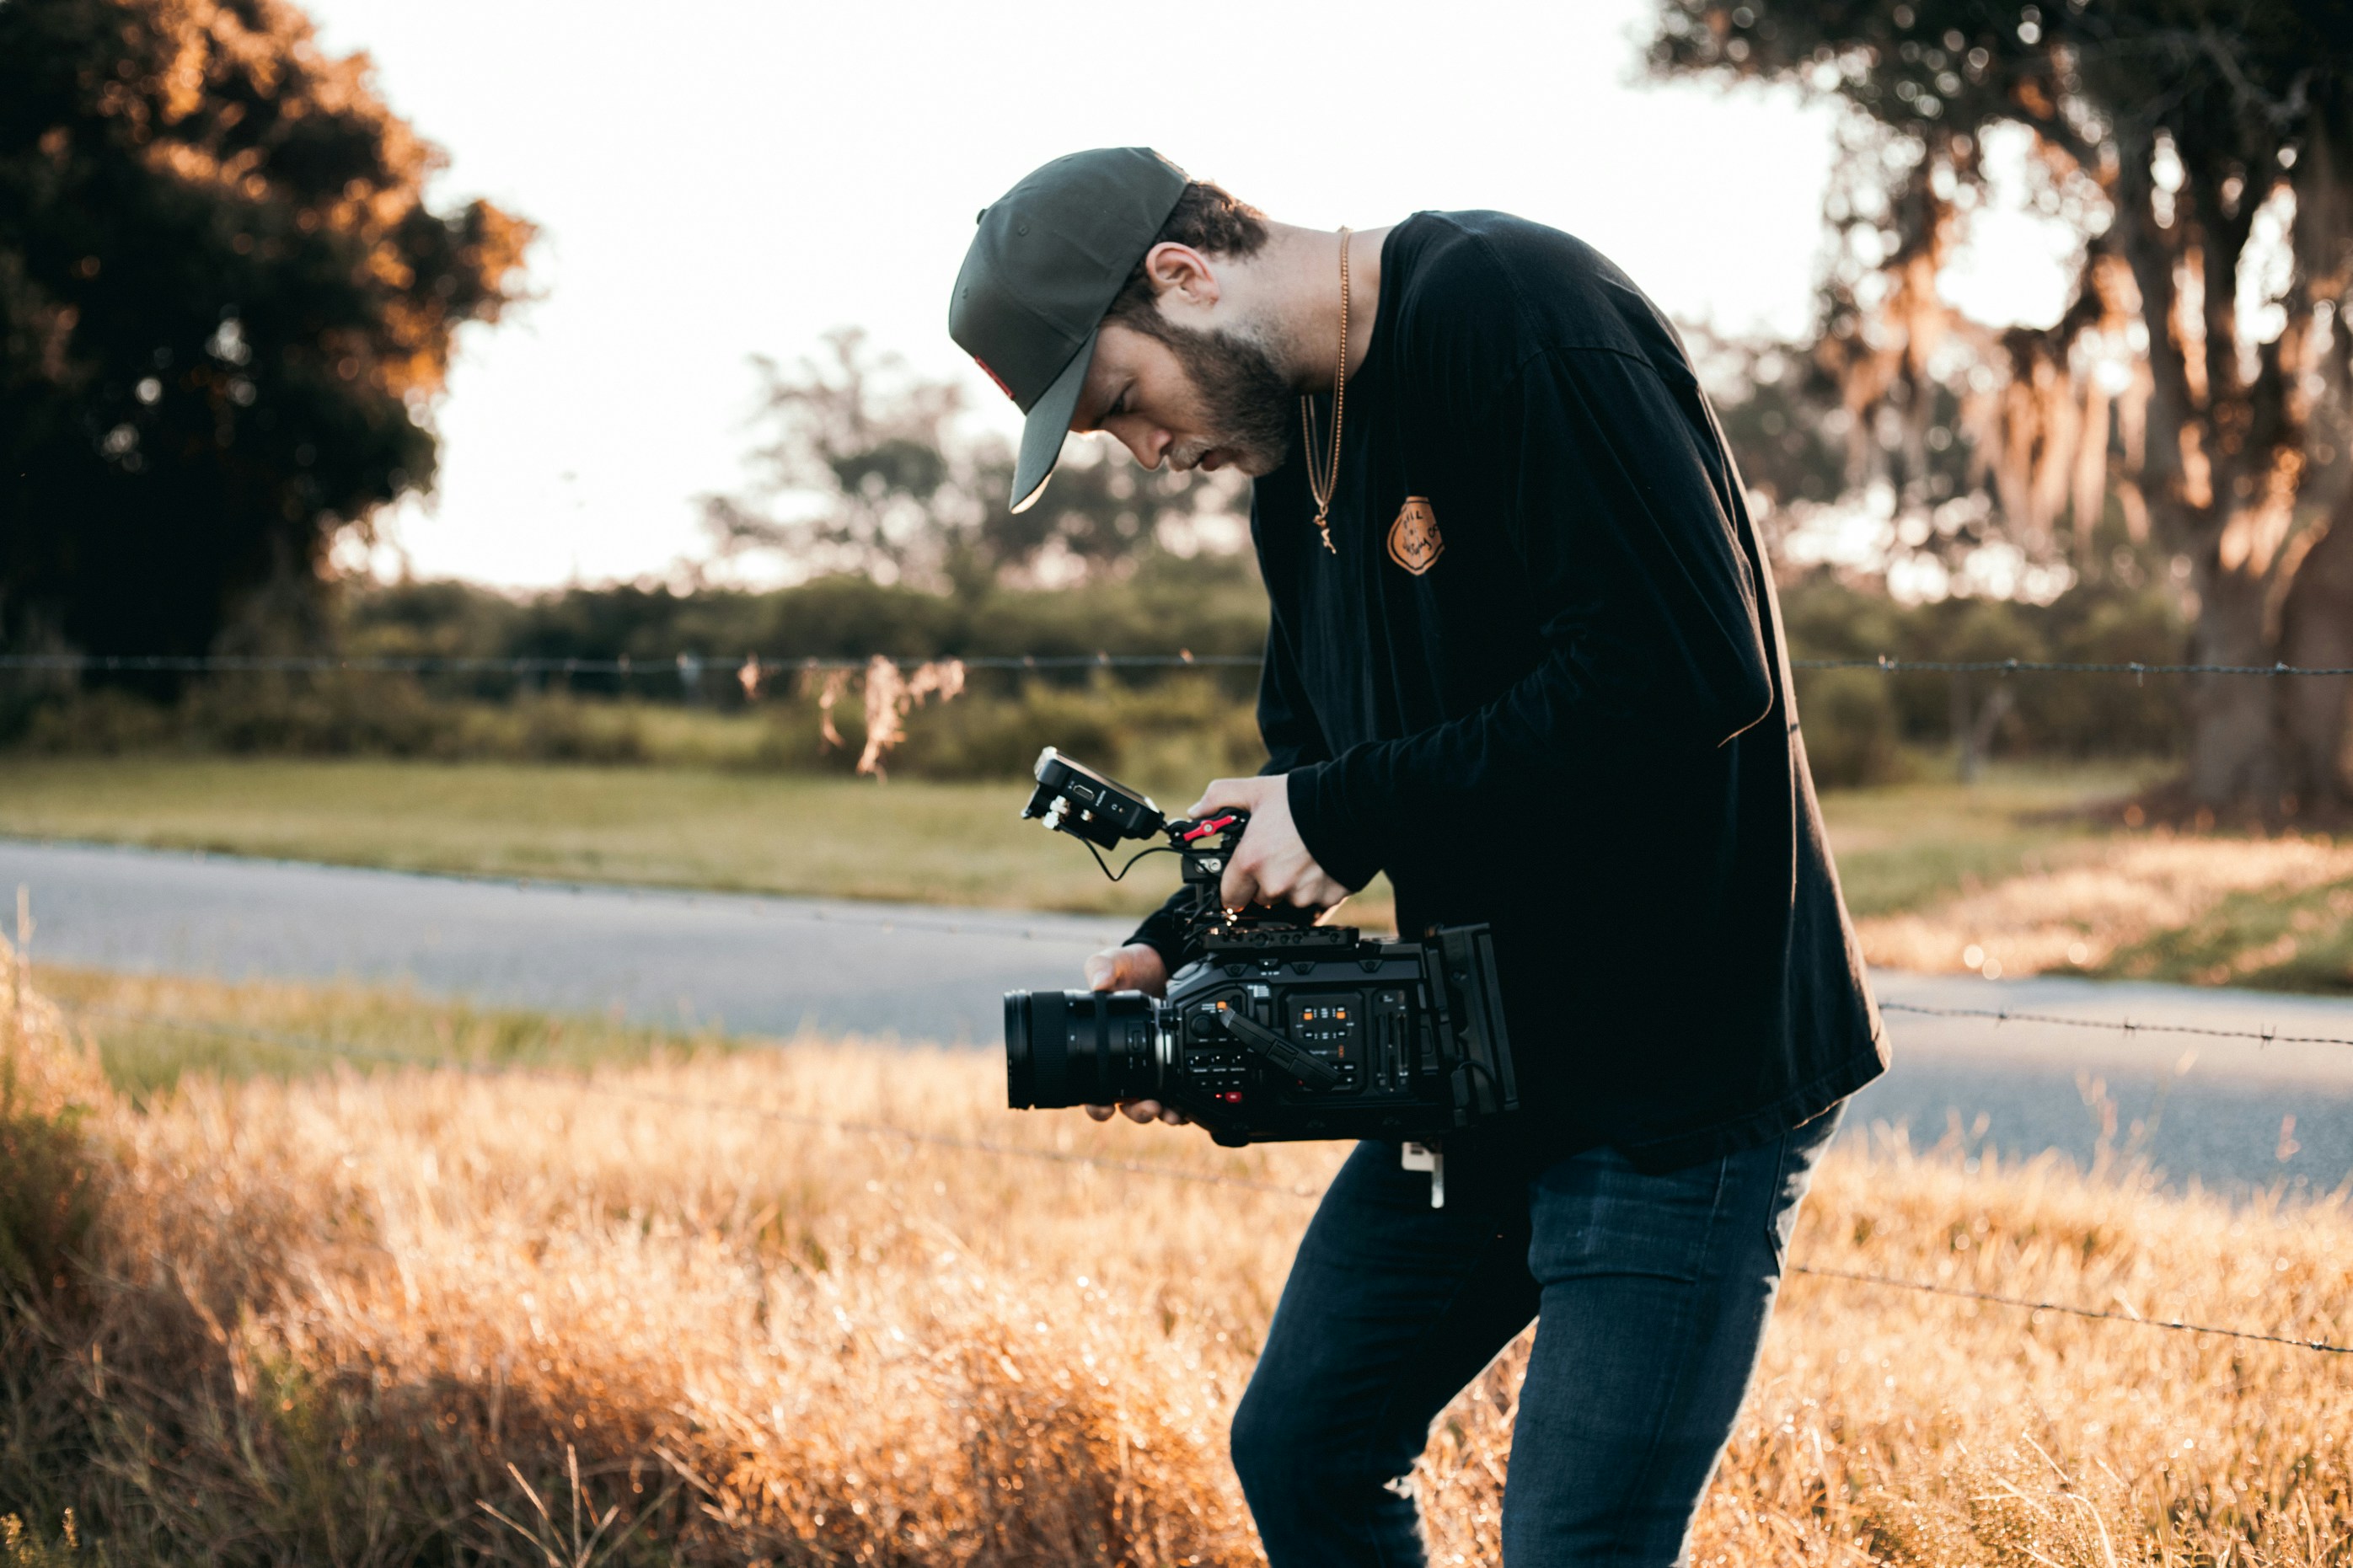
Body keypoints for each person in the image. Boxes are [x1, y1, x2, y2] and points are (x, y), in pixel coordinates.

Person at [947, 147, 1886, 1567]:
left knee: (1572, 1545)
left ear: (1183, 277)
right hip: (1485, 1059)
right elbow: (1312, 773)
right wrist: (1182, 944)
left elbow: (1688, 668)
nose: (1151, 457)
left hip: (1679, 1070)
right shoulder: (1290, 460)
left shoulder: (1516, 310)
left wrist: (1346, 809)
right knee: (1304, 1450)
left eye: (1127, 404)